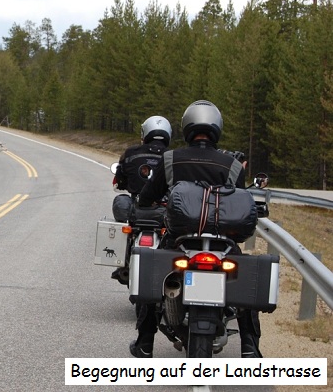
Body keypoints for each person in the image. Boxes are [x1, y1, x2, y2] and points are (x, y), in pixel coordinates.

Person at [129, 100, 262, 359]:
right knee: (245, 283)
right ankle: (250, 346)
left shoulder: (170, 160)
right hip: (224, 243)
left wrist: (148, 203)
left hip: (180, 239)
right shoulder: (232, 165)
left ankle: (145, 342)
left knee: (155, 276)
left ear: (187, 126)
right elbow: (240, 198)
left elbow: (146, 198)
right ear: (217, 128)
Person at [110, 116, 171, 284]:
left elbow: (120, 179)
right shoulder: (173, 157)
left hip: (138, 210)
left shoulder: (130, 154)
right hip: (163, 211)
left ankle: (123, 261)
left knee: (122, 205)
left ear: (145, 133)